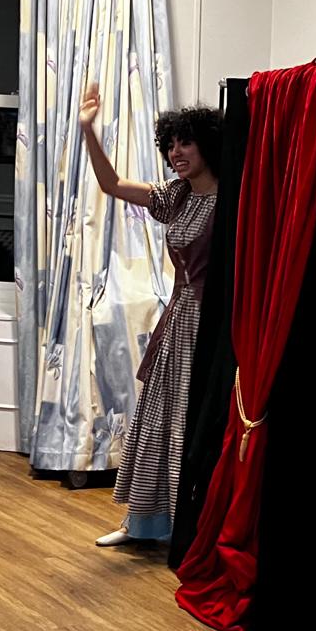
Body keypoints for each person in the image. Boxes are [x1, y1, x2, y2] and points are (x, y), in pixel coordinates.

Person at [78, 84, 220, 548]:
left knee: (192, 421)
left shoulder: (233, 199)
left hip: (214, 324)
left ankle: (190, 526)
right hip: (179, 319)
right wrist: (88, 130)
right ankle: (144, 522)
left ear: (208, 145)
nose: (176, 152)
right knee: (159, 415)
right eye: (170, 145)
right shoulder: (178, 196)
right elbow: (113, 184)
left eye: (186, 142)